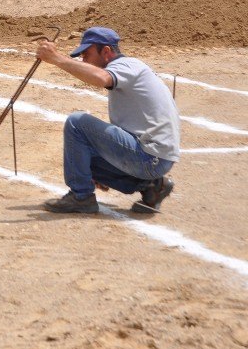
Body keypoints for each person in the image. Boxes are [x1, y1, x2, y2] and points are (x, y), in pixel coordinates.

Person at [36, 26, 179, 214]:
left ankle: (81, 197)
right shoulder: (130, 68)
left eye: (86, 54)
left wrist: (57, 59)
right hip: (154, 157)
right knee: (82, 159)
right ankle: (152, 186)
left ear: (106, 51)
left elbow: (101, 78)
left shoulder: (126, 65)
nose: (83, 60)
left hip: (150, 156)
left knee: (77, 122)